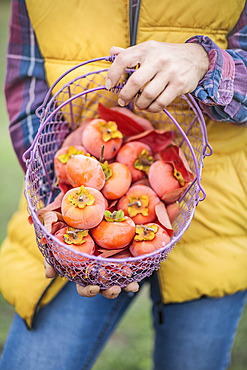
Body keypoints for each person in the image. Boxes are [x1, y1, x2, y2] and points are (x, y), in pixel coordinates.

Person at [0, 0, 247, 369]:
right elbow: (29, 89)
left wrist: (204, 62)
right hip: (76, 213)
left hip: (218, 209)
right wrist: (59, 203)